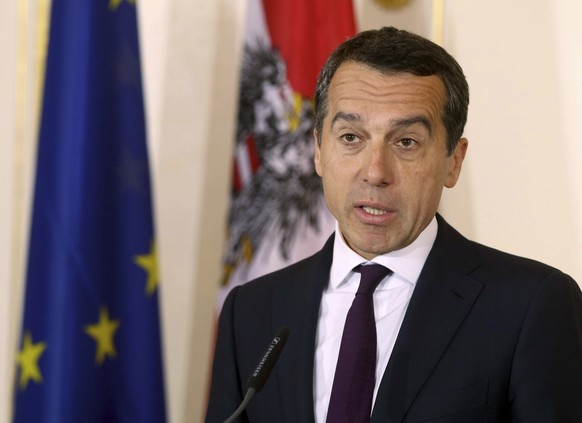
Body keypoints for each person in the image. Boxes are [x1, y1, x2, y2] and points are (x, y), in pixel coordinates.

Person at [205, 26, 582, 422]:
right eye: (351, 136)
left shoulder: (532, 305)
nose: (375, 172)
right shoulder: (249, 312)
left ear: (453, 160)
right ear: (318, 150)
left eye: (406, 142)